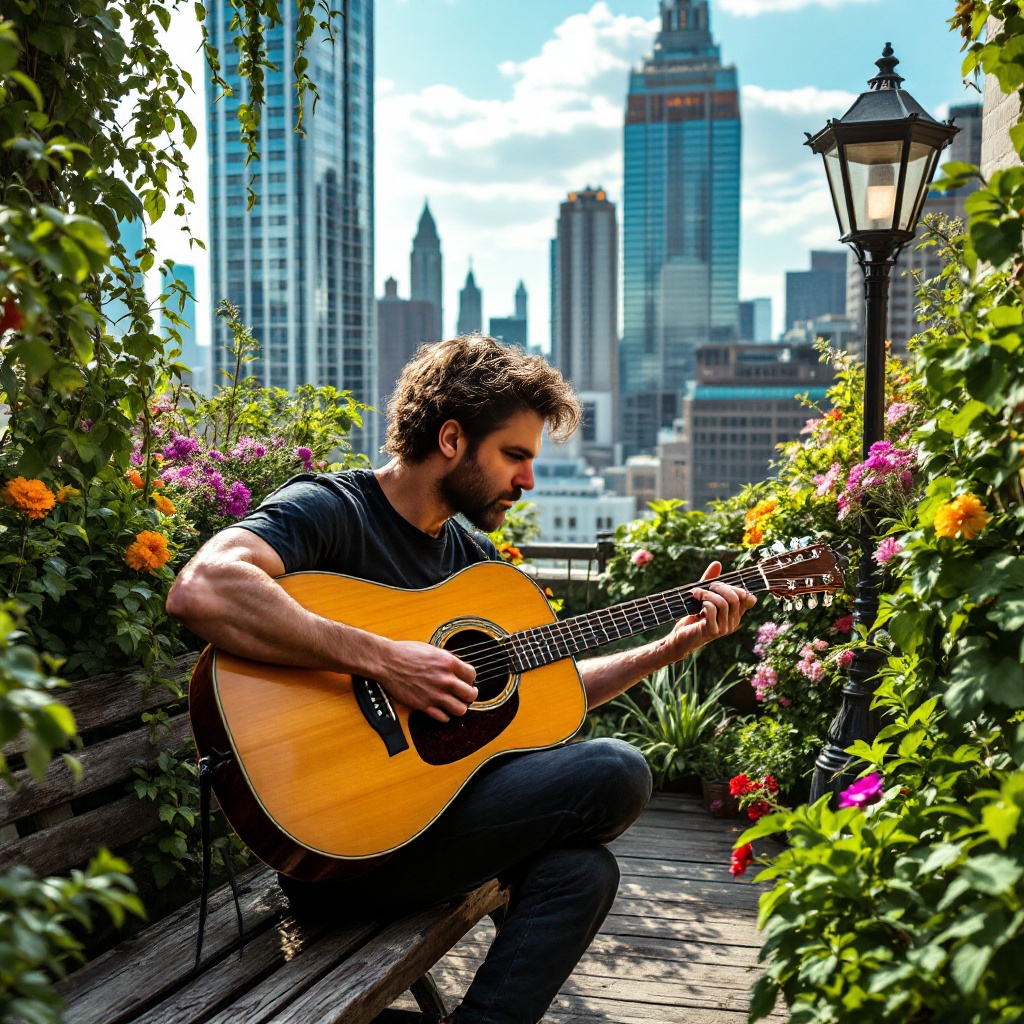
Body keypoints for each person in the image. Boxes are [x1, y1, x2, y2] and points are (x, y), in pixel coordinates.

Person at [167, 335, 756, 1024]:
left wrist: (664, 649)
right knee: (618, 771)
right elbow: (203, 589)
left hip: (429, 833)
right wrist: (386, 658)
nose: (528, 480)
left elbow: (548, 693)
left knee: (583, 872)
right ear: (451, 438)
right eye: (515, 456)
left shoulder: (472, 563)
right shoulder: (333, 508)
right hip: (338, 850)